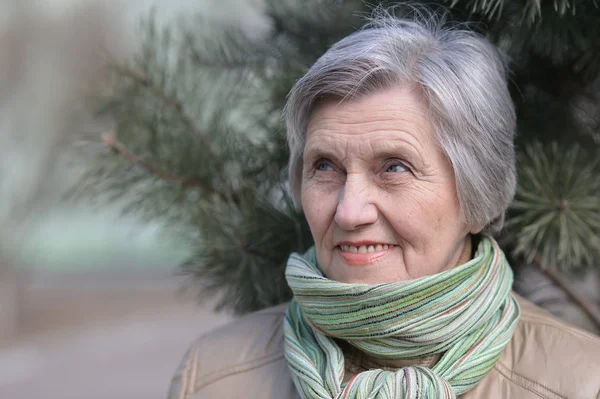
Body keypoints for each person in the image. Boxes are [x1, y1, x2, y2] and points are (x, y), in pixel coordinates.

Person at [167, 12, 600, 399]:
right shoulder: (213, 378)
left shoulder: (580, 383)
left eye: (394, 167)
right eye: (325, 166)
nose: (349, 212)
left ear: (479, 193)